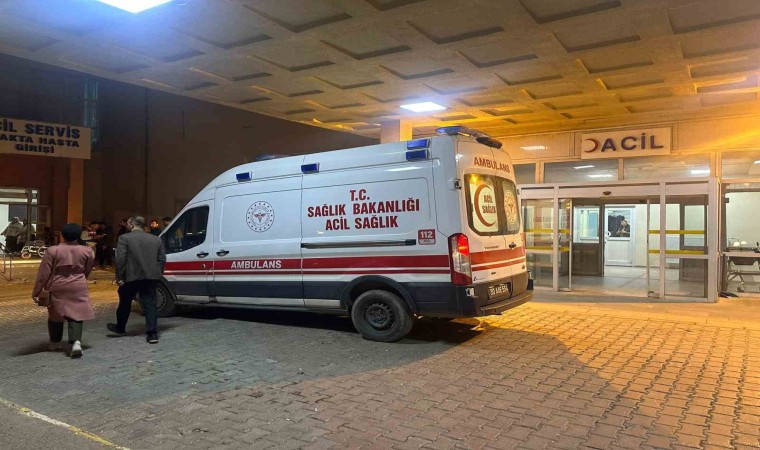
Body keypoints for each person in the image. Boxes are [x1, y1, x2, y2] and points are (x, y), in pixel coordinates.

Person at [31, 224, 95, 358]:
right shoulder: (87, 251)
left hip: (57, 283)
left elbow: (43, 273)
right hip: (78, 283)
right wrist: (80, 278)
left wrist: (37, 291)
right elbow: (87, 269)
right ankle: (76, 342)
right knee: (77, 313)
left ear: (62, 235)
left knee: (55, 313)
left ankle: (55, 342)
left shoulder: (53, 250)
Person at [108, 216, 166, 344]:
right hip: (150, 276)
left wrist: (119, 276)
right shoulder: (156, 239)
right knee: (150, 304)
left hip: (131, 276)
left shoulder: (124, 238)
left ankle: (120, 327)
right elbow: (162, 258)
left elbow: (120, 259)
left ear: (132, 225)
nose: (127, 225)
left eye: (128, 223)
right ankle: (152, 333)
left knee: (125, 302)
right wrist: (157, 272)